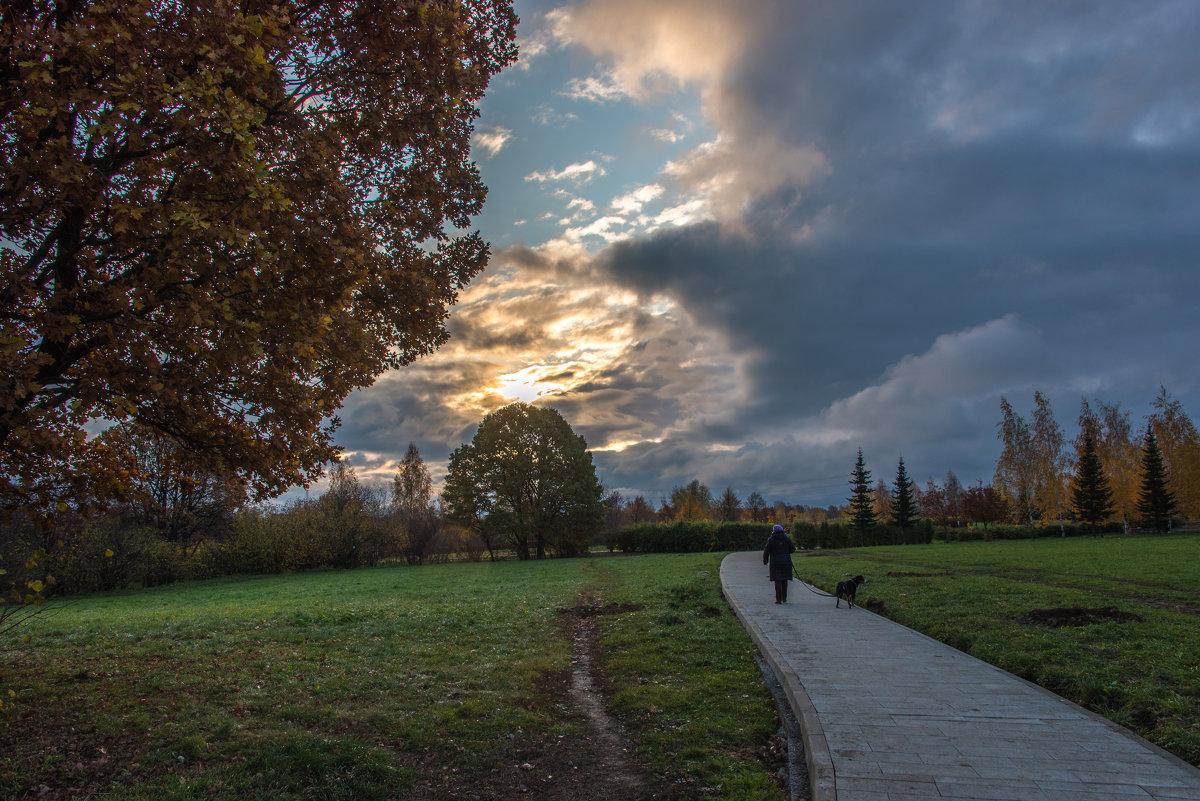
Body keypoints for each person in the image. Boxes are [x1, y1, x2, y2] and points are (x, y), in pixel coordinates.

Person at [762, 523, 796, 604]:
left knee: (777, 580)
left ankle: (778, 599)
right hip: (786, 562)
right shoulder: (787, 538)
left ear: (773, 531)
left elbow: (766, 551)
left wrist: (765, 561)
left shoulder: (771, 539)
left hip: (776, 562)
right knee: (784, 580)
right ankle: (784, 598)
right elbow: (793, 549)